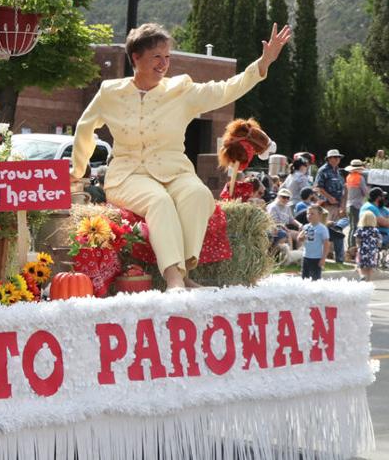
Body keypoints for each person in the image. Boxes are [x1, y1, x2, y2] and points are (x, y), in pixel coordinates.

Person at [71, 22, 291, 289]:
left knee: (197, 195)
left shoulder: (180, 90)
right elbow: (85, 127)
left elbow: (224, 89)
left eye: (167, 57)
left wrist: (262, 64)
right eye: (156, 56)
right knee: (159, 201)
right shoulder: (110, 92)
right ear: (135, 57)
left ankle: (185, 273)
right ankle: (174, 279)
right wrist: (77, 172)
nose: (164, 64)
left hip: (175, 171)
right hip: (128, 175)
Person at [344, 159, 370, 255]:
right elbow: (365, 192)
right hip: (357, 205)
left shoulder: (349, 177)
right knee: (355, 227)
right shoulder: (360, 178)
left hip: (349, 204)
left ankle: (350, 247)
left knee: (352, 227)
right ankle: (353, 249)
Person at [297, 204, 329, 281]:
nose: (309, 215)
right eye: (308, 213)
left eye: (312, 214)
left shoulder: (322, 228)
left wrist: (323, 258)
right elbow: (299, 239)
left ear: (319, 215)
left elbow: (326, 244)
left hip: (316, 258)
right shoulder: (306, 227)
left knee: (315, 279)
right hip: (306, 256)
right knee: (305, 278)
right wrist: (301, 238)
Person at [314, 149, 345, 222]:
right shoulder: (323, 170)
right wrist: (329, 197)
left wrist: (342, 204)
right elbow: (318, 187)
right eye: (335, 157)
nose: (338, 159)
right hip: (326, 205)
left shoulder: (338, 170)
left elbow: (343, 187)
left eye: (339, 157)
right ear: (329, 159)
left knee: (336, 226)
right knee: (327, 225)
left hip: (337, 205)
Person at [354, 209, 381, 281]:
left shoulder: (360, 230)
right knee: (370, 267)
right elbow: (378, 241)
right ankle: (369, 281)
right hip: (372, 250)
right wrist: (377, 248)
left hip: (362, 250)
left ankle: (362, 275)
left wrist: (358, 247)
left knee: (359, 264)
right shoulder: (375, 230)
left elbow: (357, 240)